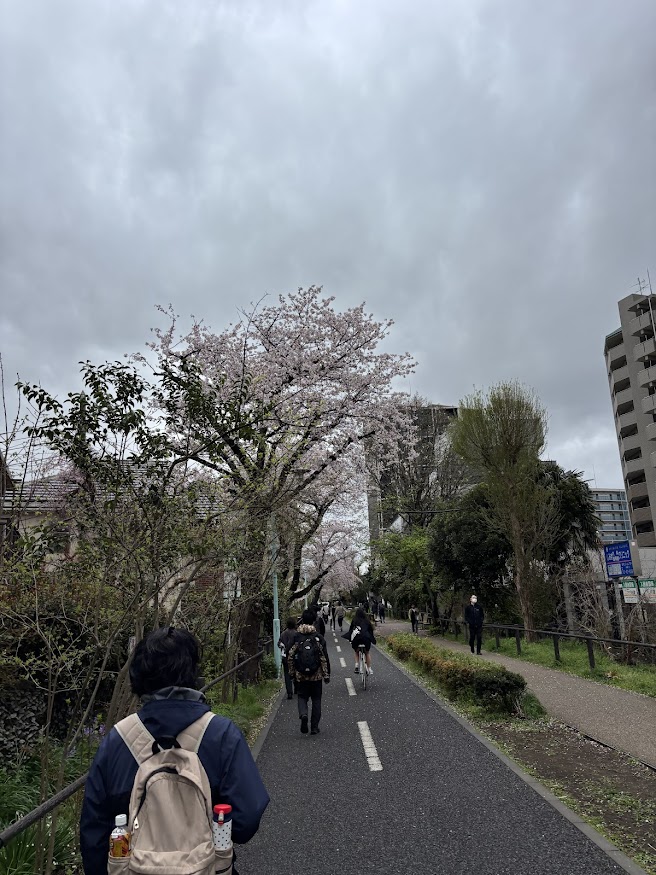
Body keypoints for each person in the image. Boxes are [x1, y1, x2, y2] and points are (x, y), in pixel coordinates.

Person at [79, 627, 269, 875]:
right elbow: (246, 820)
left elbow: (93, 833)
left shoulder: (118, 740)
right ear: (192, 674)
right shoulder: (222, 734)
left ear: (138, 677)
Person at [288, 609, 331, 735]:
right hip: (316, 675)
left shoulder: (296, 636)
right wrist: (326, 674)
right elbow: (324, 657)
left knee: (302, 697)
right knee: (316, 699)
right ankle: (314, 727)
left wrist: (291, 673)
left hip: (300, 675)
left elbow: (290, 656)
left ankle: (303, 714)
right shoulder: (318, 638)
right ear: (313, 621)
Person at [347, 606, 376, 675]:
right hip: (365, 639)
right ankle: (369, 668)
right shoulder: (367, 620)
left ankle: (356, 665)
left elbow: (351, 630)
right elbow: (371, 630)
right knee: (367, 653)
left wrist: (350, 639)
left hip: (356, 639)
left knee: (356, 652)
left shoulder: (354, 620)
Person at [278, 617, 298, 699]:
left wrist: (284, 647)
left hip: (285, 656)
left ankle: (289, 692)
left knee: (287, 674)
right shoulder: (296, 633)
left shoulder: (283, 633)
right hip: (295, 656)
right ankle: (297, 688)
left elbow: (278, 643)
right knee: (296, 672)